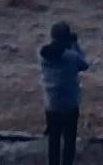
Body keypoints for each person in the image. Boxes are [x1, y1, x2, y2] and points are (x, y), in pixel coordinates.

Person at [39, 21, 89, 165]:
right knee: (69, 140)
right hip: (69, 105)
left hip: (51, 105)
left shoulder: (42, 55)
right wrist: (75, 44)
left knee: (53, 139)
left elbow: (54, 51)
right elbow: (84, 64)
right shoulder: (71, 56)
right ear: (66, 38)